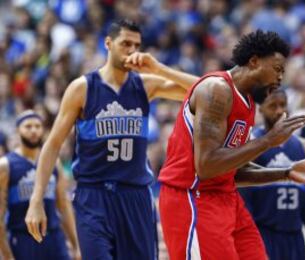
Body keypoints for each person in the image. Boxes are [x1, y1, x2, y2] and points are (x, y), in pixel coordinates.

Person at [25, 19, 199, 260]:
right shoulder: (82, 88)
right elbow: (52, 144)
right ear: (108, 44)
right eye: (125, 43)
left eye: (136, 45)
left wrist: (159, 69)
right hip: (94, 196)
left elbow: (206, 91)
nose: (131, 50)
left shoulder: (145, 85)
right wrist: (36, 200)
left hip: (135, 194)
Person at [158, 30, 305, 260]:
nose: (281, 78)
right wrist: (269, 141)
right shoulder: (217, 90)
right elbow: (206, 166)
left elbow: (232, 171)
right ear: (254, 61)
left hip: (226, 197)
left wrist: (287, 173)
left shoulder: (249, 103)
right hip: (192, 198)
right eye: (278, 69)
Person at [239, 89, 305, 260]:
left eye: (283, 105)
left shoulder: (303, 147)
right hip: (264, 234)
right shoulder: (252, 145)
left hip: (295, 237)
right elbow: (245, 204)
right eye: (272, 106)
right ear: (260, 109)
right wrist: (249, 245)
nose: (278, 111)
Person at [0, 110, 80, 260]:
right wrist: (7, 255)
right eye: (28, 126)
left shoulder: (54, 162)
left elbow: (63, 205)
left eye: (37, 126)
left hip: (53, 237)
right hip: (22, 238)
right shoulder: (6, 165)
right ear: (18, 131)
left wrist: (76, 244)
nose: (34, 130)